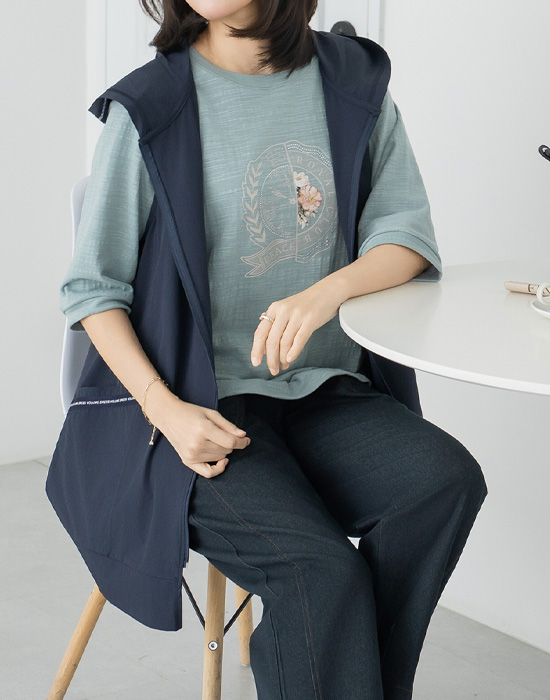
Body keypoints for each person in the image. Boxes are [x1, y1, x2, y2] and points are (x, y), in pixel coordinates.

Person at [52, 1, 489, 698]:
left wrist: (326, 294)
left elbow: (406, 235)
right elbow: (92, 290)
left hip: (325, 390)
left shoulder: (350, 83)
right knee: (320, 576)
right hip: (195, 408)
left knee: (444, 484)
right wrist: (166, 410)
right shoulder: (151, 106)